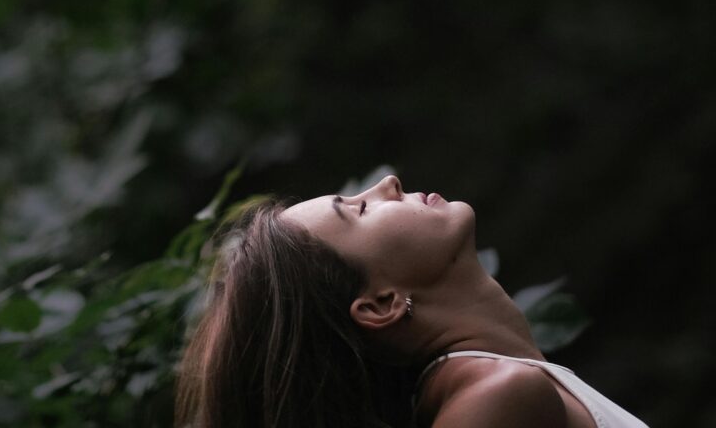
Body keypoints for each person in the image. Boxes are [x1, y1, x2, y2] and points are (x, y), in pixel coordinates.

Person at [175, 174, 649, 428]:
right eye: (359, 210)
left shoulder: (504, 387)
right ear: (381, 304)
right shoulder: (501, 396)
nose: (389, 183)